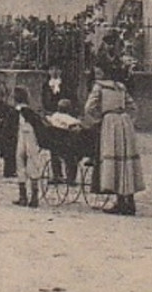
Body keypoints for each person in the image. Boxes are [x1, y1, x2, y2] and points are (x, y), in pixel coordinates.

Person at [86, 67, 143, 216]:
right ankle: (130, 201)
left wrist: (99, 118)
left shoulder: (99, 87)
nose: (97, 75)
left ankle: (120, 201)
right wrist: (128, 119)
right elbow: (133, 107)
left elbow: (89, 108)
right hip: (124, 122)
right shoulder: (120, 87)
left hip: (110, 122)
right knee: (126, 160)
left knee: (114, 159)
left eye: (99, 72)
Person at [12, 87, 49, 208]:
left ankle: (23, 196)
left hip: (22, 137)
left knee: (20, 163)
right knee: (32, 162)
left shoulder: (16, 112)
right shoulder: (31, 113)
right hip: (30, 137)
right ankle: (34, 196)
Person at [45, 98, 83, 185]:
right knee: (72, 157)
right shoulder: (68, 118)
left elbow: (48, 120)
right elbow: (77, 123)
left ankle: (57, 175)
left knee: (54, 153)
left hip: (55, 143)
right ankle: (71, 178)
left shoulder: (54, 116)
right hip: (66, 144)